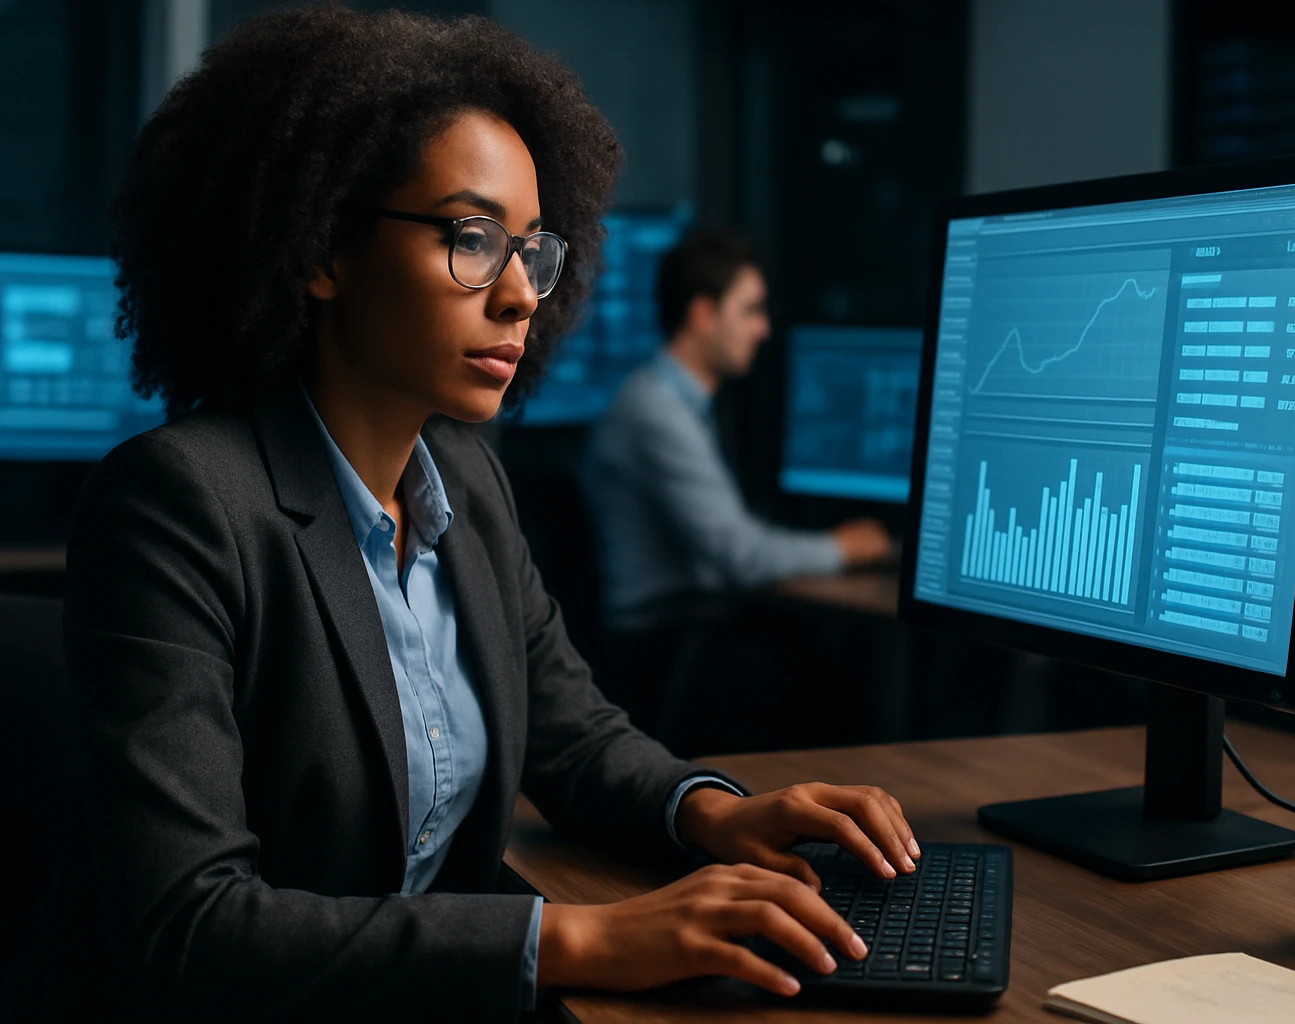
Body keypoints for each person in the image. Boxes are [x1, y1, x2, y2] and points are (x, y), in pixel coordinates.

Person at [45, 10, 923, 1020]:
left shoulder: (468, 484)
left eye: (533, 251)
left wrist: (715, 812)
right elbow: (192, 924)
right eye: (470, 238)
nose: (520, 297)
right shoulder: (179, 505)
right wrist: (583, 935)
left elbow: (579, 739)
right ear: (322, 247)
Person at [584, 229, 893, 632]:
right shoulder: (655, 411)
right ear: (703, 315)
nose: (763, 329)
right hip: (662, 641)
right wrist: (843, 547)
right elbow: (742, 557)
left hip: (684, 623)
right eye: (751, 310)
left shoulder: (674, 402)